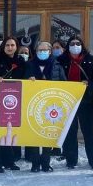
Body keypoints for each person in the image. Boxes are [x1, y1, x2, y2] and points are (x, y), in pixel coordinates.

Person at [57, 35, 93, 170]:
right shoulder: (61, 60)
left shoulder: (90, 59)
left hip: (86, 101)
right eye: (72, 43)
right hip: (67, 100)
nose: (75, 46)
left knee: (88, 131)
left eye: (78, 43)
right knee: (70, 131)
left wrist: (89, 84)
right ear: (68, 46)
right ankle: (71, 160)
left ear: (82, 45)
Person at [23, 41, 66, 172]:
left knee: (48, 134)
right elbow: (22, 83)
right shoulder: (29, 64)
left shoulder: (57, 65)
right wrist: (28, 80)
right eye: (39, 50)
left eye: (45, 50)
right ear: (36, 52)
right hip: (33, 104)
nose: (42, 52)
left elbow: (64, 83)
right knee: (35, 135)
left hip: (51, 105)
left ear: (49, 51)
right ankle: (35, 163)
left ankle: (46, 163)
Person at [0, 36, 24, 173]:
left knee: (10, 130)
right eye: (7, 45)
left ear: (16, 46)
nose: (10, 47)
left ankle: (9, 161)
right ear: (3, 47)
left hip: (14, 100)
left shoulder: (20, 60)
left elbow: (25, 75)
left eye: (12, 45)